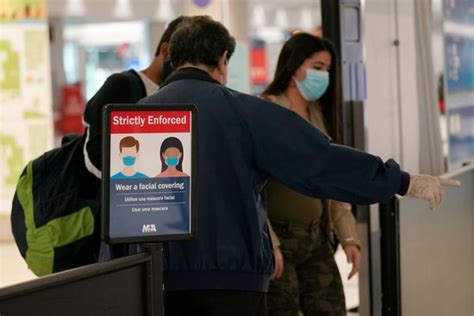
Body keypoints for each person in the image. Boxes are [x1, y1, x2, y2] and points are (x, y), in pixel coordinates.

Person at [140, 16, 459, 316]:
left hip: (154, 282)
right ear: (223, 59)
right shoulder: (244, 112)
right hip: (232, 282)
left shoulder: (135, 117)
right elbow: (319, 162)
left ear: (171, 57)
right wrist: (401, 181)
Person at [262, 33, 359, 316]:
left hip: (316, 237)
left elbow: (333, 179)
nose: (324, 76)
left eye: (327, 70)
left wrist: (349, 236)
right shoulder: (265, 111)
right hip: (279, 238)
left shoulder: (319, 115)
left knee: (331, 308)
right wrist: (269, 243)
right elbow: (250, 187)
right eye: (317, 68)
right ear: (294, 67)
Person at [83, 16, 189, 179]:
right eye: (186, 63)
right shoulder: (122, 85)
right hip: (115, 198)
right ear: (166, 51)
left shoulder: (183, 97)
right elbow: (95, 157)